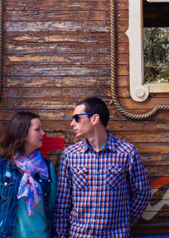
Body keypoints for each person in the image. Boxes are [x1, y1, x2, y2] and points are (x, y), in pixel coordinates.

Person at [53, 96, 151, 238]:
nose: (71, 124)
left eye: (76, 118)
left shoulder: (127, 152)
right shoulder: (70, 155)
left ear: (94, 119)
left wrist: (124, 222)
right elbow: (62, 204)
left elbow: (142, 193)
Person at [0, 111, 57, 238]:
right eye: (38, 129)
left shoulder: (47, 168)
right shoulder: (1, 168)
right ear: (24, 135)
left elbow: (53, 209)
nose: (43, 133)